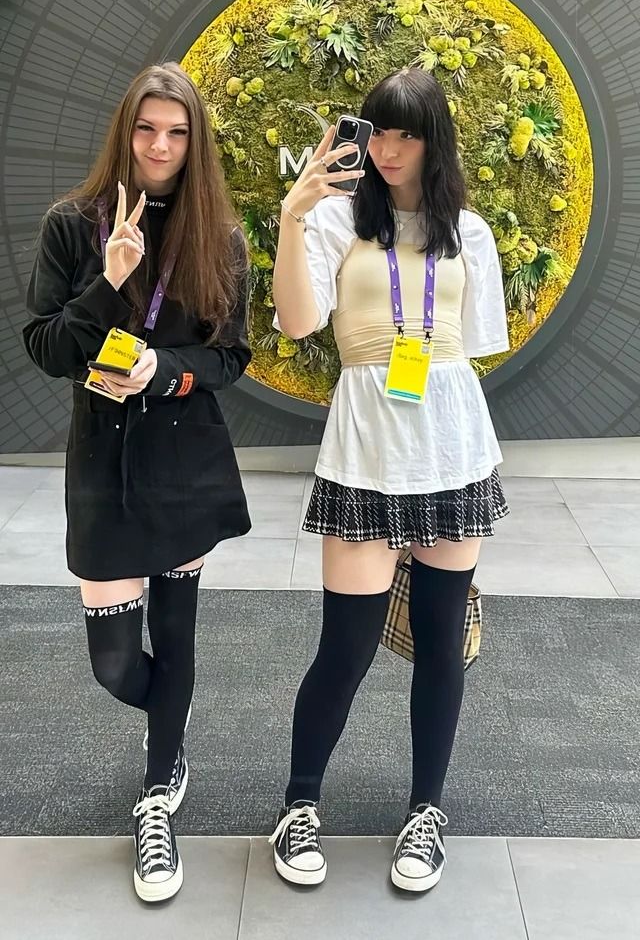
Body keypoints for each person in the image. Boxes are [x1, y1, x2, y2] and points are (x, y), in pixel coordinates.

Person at [268, 67, 510, 893]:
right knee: (345, 646)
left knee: (442, 644)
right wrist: (292, 215)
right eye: (381, 133)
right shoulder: (336, 219)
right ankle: (299, 804)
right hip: (366, 447)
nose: (391, 150)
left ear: (435, 141)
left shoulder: (469, 232)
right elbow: (298, 321)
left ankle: (425, 813)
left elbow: (470, 346)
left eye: (409, 134)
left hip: (450, 445)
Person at [23, 61, 251, 902]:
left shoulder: (219, 236)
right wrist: (110, 279)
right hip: (102, 464)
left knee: (177, 638)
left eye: (177, 132)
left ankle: (157, 795)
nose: (160, 146)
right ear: (127, 130)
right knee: (117, 665)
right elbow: (48, 347)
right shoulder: (71, 225)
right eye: (147, 128)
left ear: (195, 142)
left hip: (185, 460)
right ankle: (170, 723)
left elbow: (229, 356)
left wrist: (163, 369)